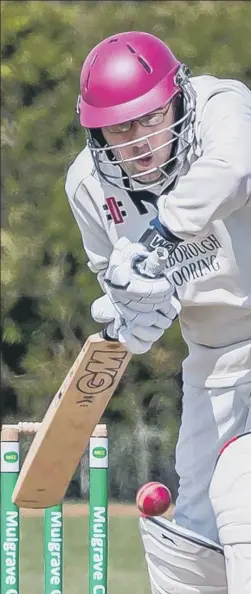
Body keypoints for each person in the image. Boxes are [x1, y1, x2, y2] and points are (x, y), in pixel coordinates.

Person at [65, 31, 251, 593]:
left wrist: (161, 235)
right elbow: (127, 290)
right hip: (214, 362)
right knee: (194, 543)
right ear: (98, 131)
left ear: (177, 97)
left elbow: (236, 168)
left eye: (151, 118)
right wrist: (135, 316)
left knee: (240, 491)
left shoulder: (220, 104)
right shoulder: (87, 186)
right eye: (121, 128)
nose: (140, 139)